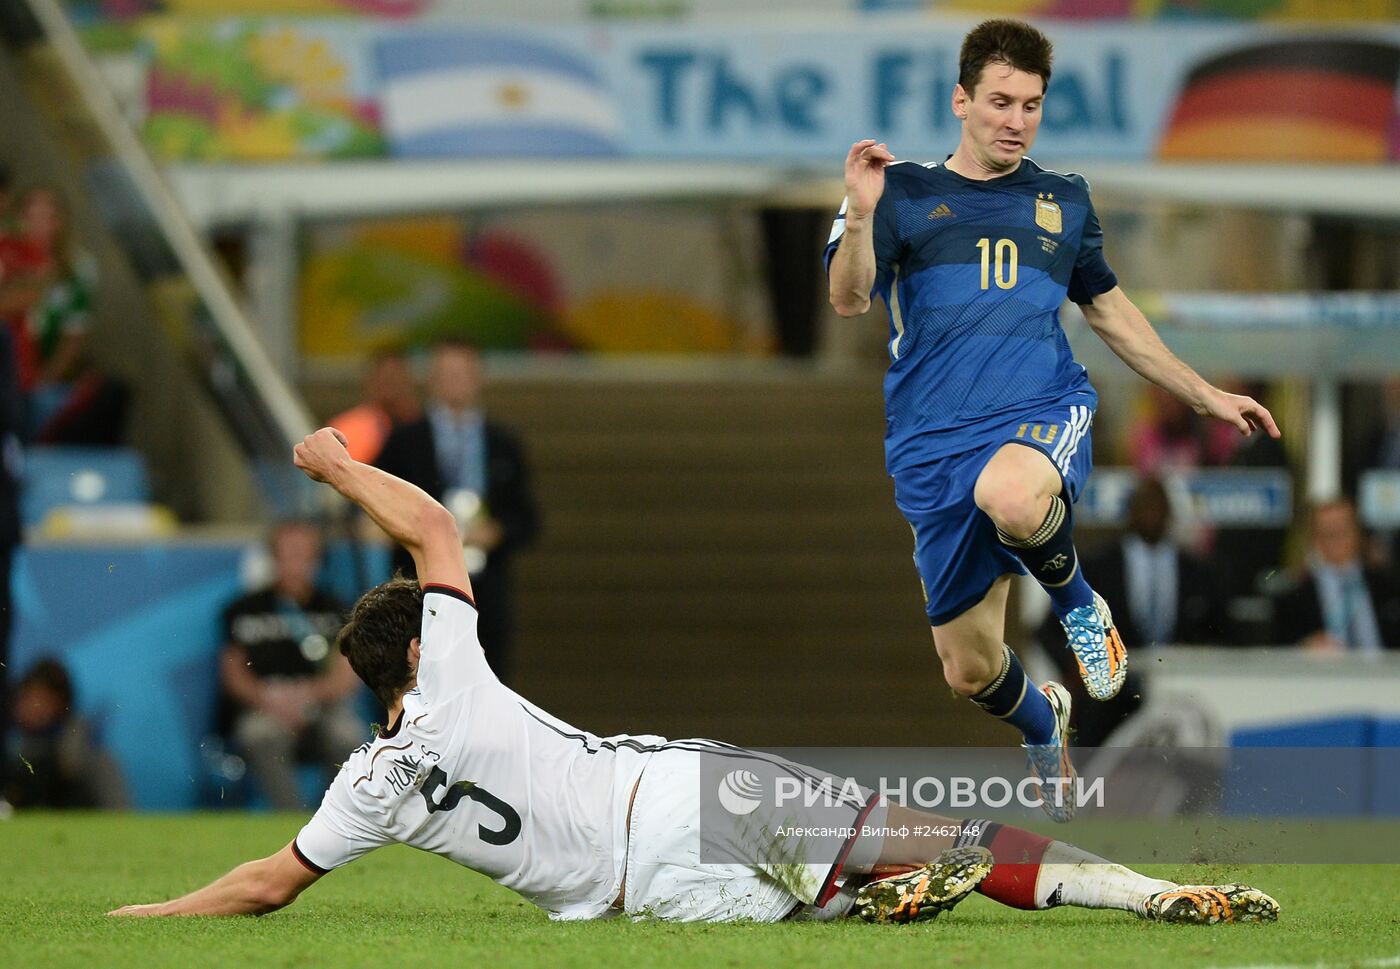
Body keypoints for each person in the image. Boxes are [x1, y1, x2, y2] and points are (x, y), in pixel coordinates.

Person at [108, 428, 1279, 927]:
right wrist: (336, 464)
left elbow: (266, 886)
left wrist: (144, 915)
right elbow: (434, 531)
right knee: (941, 832)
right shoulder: (453, 669)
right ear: (416, 649)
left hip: (641, 900)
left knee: (843, 890)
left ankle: (869, 901)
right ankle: (1139, 896)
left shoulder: (365, 784)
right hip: (676, 798)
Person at [824, 19, 1278, 818]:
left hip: (1039, 412)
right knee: (967, 669)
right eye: (1000, 101)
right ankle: (1044, 716)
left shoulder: (1062, 199)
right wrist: (859, 218)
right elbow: (850, 297)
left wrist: (1204, 393)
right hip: (931, 444)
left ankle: (1080, 607)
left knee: (1012, 494)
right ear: (961, 100)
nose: (1015, 120)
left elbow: (1109, 311)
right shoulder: (898, 192)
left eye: (1031, 105)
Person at [375, 340, 538, 682]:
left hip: (485, 588)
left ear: (479, 378)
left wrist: (497, 531)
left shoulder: (503, 443)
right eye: (446, 374)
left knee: (487, 685)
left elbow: (528, 517)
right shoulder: (404, 441)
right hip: (417, 587)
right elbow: (376, 505)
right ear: (430, 380)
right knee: (416, 684)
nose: (455, 382)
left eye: (462, 374)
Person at [219, 521, 365, 810]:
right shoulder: (242, 609)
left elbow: (346, 675)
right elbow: (233, 673)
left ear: (316, 559)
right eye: (287, 554)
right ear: (272, 558)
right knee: (257, 734)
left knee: (348, 735)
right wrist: (269, 699)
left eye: (303, 554)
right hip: (266, 705)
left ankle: (332, 817)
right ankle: (290, 820)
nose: (294, 562)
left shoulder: (337, 609)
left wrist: (306, 696)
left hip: (323, 705)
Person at [1272, 498, 1400, 653]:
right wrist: (1304, 649)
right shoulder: (1293, 598)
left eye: (1342, 529)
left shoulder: (1389, 587)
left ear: (1358, 532)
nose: (1336, 538)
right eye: (1327, 531)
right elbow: (1277, 652)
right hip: (1326, 675)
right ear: (1314, 538)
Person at [4, 657, 129, 810]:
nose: (33, 708)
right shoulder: (11, 749)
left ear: (62, 704)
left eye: (43, 700)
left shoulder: (94, 760)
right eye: (27, 698)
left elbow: (121, 813)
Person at [328, 348, 421, 465]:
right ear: (370, 382)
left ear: (410, 382)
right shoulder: (346, 429)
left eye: (396, 379)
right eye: (385, 379)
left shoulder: (428, 428)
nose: (391, 387)